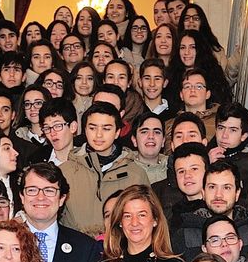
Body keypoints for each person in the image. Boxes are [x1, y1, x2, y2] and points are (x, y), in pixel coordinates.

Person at [60, 102, 149, 236]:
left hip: (121, 249)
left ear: (117, 132)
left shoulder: (136, 174)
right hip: (75, 249)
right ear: (84, 130)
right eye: (92, 128)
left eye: (106, 128)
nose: (99, 135)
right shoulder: (65, 171)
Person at [208, 102, 248, 226]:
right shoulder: (206, 156)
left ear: (243, 136)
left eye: (233, 130)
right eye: (221, 128)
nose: (224, 135)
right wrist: (209, 167)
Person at [203, 161, 248, 260]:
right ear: (203, 193)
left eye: (226, 187)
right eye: (212, 187)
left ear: (237, 194)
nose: (218, 195)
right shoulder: (185, 233)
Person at [166, 143, 212, 262]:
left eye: (194, 169)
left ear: (207, 171)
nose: (187, 176)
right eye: (181, 171)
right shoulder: (173, 216)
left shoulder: (222, 207)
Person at [39, 98, 80, 166]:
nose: (52, 133)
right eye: (47, 128)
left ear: (73, 127)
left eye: (57, 126)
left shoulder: (88, 162)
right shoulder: (37, 162)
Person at [130, 112, 168, 183]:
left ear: (163, 141)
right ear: (134, 140)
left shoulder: (175, 170)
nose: (151, 136)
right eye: (144, 132)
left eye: (157, 132)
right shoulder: (122, 170)